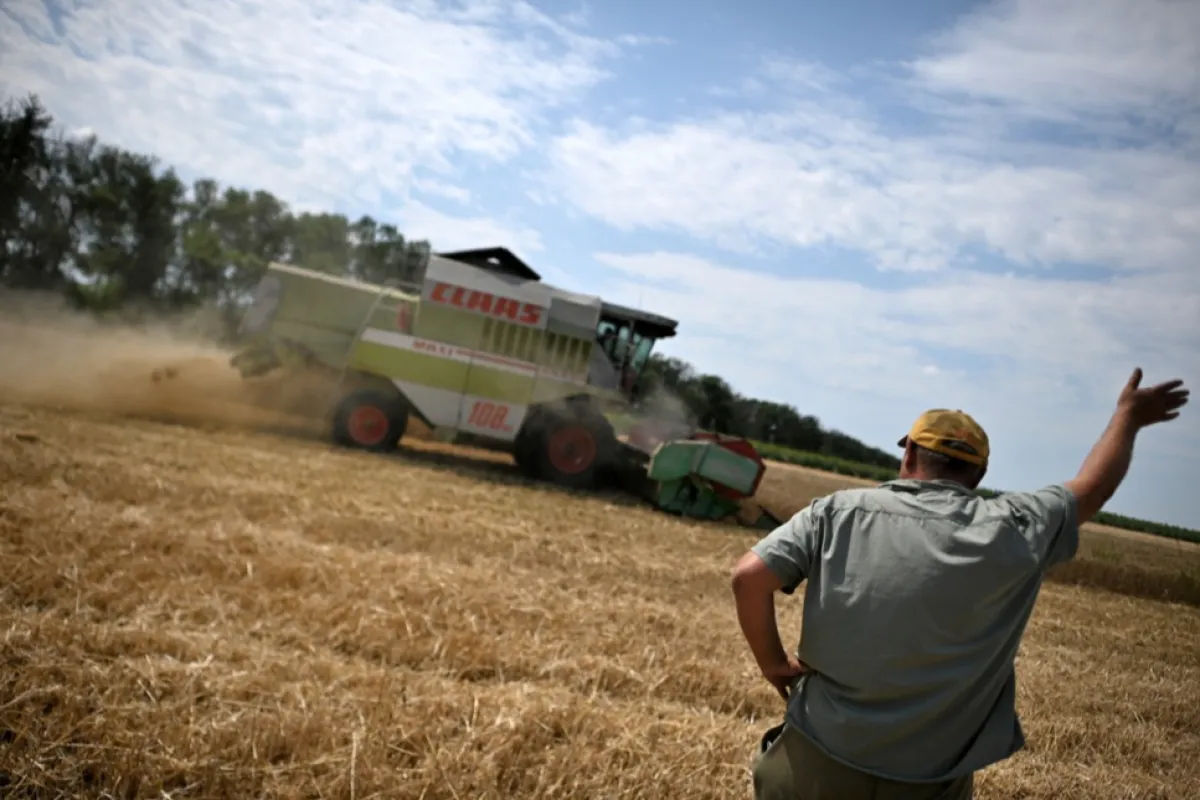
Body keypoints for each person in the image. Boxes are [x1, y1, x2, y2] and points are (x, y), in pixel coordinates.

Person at [731, 368, 1190, 800]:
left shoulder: (837, 511)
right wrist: (1127, 418)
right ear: (979, 476)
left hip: (815, 760)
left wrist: (773, 664)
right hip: (928, 781)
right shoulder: (1014, 527)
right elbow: (1092, 486)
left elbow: (748, 578)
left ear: (908, 454)